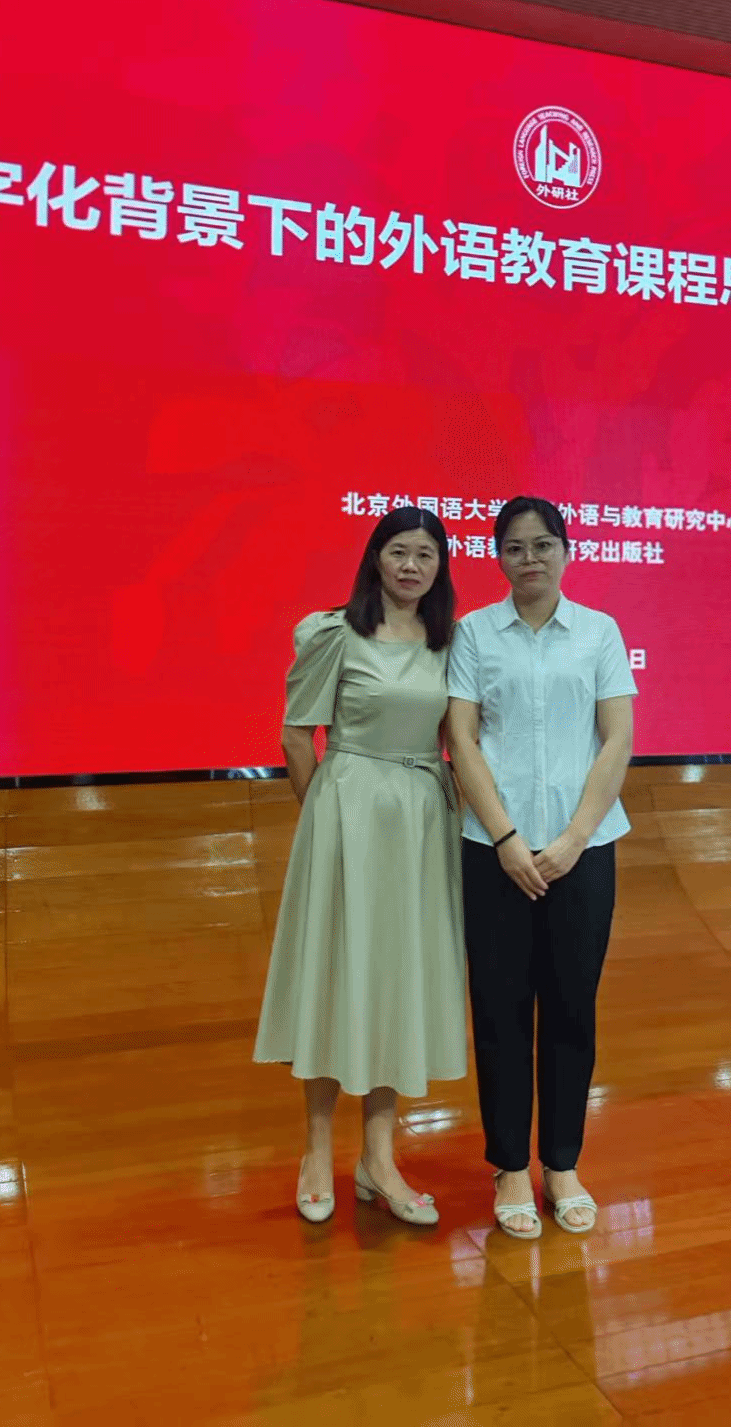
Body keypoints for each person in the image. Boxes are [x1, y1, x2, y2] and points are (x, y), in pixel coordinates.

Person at [254, 506, 466, 1226]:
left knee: (395, 978)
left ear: (440, 567)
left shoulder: (448, 642)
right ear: (376, 557)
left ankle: (378, 1158)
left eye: (426, 555)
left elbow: (458, 737)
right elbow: (296, 735)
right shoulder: (334, 633)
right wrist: (325, 819)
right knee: (333, 974)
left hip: (421, 821)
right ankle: (316, 1152)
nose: (411, 566)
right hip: (346, 812)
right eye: (399, 551)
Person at [446, 497, 636, 1238]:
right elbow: (462, 738)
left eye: (543, 545)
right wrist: (505, 837)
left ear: (566, 550)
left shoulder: (599, 631)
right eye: (515, 547)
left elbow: (616, 738)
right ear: (497, 557)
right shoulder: (473, 633)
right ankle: (508, 1168)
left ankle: (561, 1164)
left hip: (582, 854)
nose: (530, 559)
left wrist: (573, 839)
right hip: (493, 851)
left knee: (570, 1010)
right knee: (498, 1012)